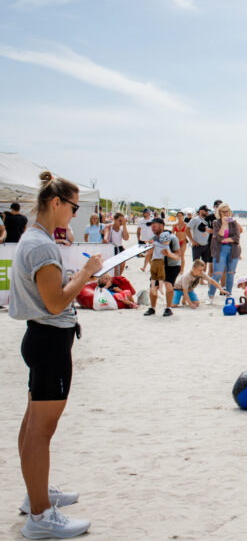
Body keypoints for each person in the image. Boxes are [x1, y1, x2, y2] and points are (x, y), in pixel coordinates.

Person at [10, 171, 101, 538]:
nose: (75, 214)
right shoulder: (41, 245)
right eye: (73, 208)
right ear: (56, 203)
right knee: (40, 431)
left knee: (33, 424)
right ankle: (40, 514)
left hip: (43, 338)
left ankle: (36, 493)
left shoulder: (37, 239)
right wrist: (86, 272)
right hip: (49, 340)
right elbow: (55, 302)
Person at [142, 216, 179, 317]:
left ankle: (168, 308)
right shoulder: (153, 240)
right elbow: (149, 254)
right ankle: (152, 308)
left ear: (161, 226)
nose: (153, 228)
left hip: (172, 265)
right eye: (152, 227)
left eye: (155, 226)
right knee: (153, 287)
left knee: (168, 285)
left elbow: (178, 256)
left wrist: (169, 254)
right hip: (159, 265)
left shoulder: (172, 238)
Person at [208, 203, 241, 303]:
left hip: (233, 250)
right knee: (217, 273)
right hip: (219, 250)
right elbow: (219, 238)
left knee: (230, 273)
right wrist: (224, 224)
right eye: (223, 211)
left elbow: (237, 238)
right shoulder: (216, 223)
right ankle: (211, 296)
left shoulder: (234, 222)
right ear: (219, 212)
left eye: (227, 211)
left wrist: (225, 239)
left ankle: (228, 295)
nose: (225, 213)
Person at [187, 205, 213, 270]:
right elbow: (187, 230)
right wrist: (192, 241)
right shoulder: (195, 219)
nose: (207, 212)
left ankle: (202, 277)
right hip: (197, 245)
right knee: (196, 265)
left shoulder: (208, 220)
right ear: (200, 211)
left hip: (206, 245)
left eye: (207, 211)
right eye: (205, 211)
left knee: (205, 266)